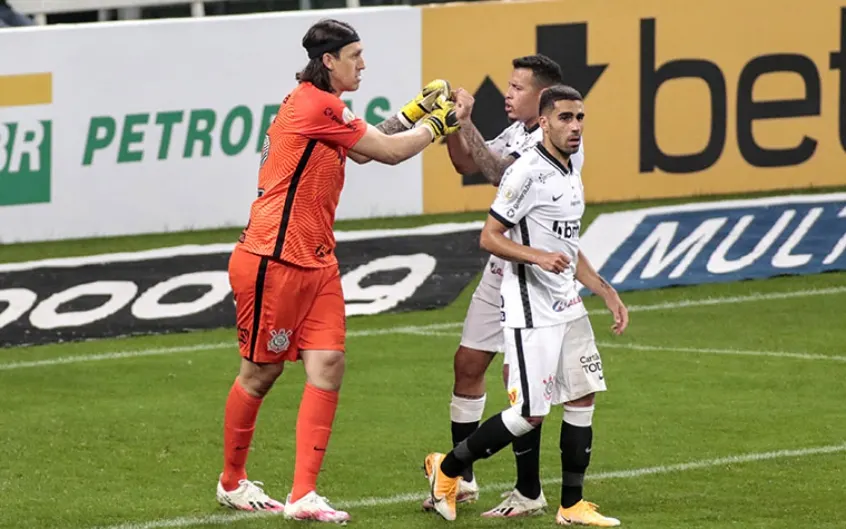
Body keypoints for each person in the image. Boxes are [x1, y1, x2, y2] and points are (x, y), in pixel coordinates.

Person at [215, 18, 459, 524]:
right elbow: (388, 154)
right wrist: (438, 124)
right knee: (261, 373)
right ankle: (232, 482)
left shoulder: (322, 105)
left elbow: (367, 149)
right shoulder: (313, 104)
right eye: (355, 56)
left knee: (328, 365)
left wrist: (412, 113)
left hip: (317, 259)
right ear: (329, 61)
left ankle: (304, 494)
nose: (363, 64)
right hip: (274, 259)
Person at [424, 84, 629, 527]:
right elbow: (489, 236)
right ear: (543, 122)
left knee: (582, 394)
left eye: (580, 118)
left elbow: (567, 245)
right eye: (565, 118)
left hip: (567, 303)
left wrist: (605, 290)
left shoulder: (570, 166)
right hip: (530, 306)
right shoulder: (526, 173)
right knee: (530, 413)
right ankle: (448, 470)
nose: (575, 127)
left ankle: (571, 505)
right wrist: (538, 257)